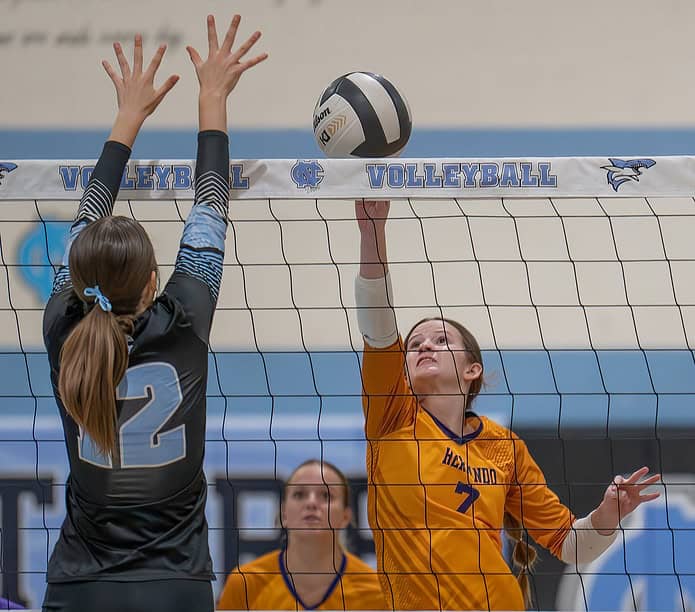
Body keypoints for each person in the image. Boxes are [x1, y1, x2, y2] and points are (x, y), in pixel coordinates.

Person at [41, 15, 267, 612]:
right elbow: (212, 199)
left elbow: (87, 228)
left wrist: (126, 119)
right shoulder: (185, 318)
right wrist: (213, 95)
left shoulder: (64, 324)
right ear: (152, 280)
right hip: (176, 586)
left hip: (80, 586)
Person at [353, 199, 662, 611]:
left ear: (471, 370)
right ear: (403, 372)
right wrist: (373, 232)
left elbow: (569, 543)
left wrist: (608, 513)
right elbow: (378, 327)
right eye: (414, 345)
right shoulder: (392, 418)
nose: (425, 344)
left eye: (442, 340)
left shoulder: (504, 447)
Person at [217, 460, 387, 610]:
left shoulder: (376, 591)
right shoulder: (245, 584)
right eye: (299, 494)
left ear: (345, 516)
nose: (311, 503)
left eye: (326, 495)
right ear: (283, 514)